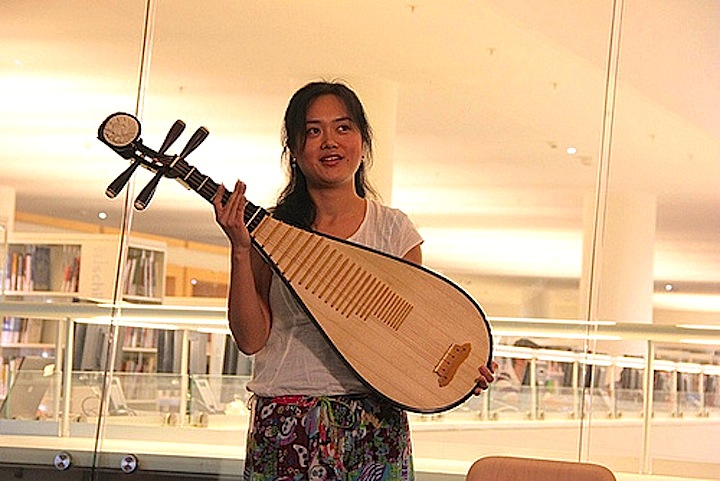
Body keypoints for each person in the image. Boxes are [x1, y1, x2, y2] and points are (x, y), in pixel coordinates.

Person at [213, 80, 496, 481]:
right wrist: (241, 250)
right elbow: (251, 339)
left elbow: (412, 329)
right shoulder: (271, 231)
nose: (330, 141)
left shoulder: (393, 230)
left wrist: (464, 373)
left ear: (363, 141)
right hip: (288, 418)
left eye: (343, 128)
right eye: (313, 131)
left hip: (374, 423)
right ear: (294, 150)